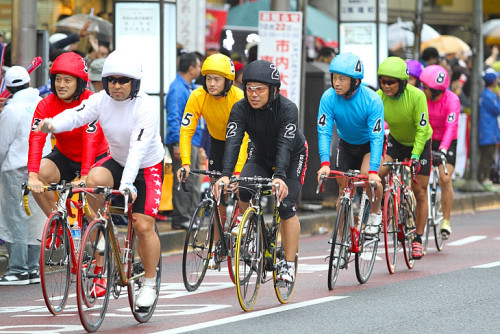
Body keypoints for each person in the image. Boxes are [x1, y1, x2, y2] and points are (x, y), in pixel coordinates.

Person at [37, 49, 164, 308]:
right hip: (117, 161)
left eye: (123, 80)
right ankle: (104, 228)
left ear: (135, 83)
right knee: (92, 179)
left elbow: (137, 152)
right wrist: (53, 124)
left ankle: (149, 283)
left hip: (146, 167)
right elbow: (76, 115)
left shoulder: (146, 107)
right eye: (111, 80)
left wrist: (127, 185)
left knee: (142, 225)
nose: (117, 86)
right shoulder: (101, 100)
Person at [213, 59, 308, 284]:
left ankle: (288, 263)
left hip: (292, 155)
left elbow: (285, 146)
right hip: (260, 154)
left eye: (260, 89)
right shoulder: (240, 108)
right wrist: (226, 174)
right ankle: (254, 230)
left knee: (286, 206)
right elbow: (233, 142)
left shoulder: (287, 109)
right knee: (243, 188)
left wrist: (280, 177)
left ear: (273, 90)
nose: (253, 94)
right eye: (249, 88)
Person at [176, 53, 248, 269]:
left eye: (217, 79)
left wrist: (236, 172)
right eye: (208, 78)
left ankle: (244, 221)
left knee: (239, 186)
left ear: (228, 81)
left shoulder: (239, 97)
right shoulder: (198, 96)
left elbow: (244, 137)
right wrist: (186, 162)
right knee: (219, 195)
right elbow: (187, 129)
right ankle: (218, 246)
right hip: (217, 141)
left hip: (243, 141)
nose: (212, 83)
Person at [28, 52, 109, 217]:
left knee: (93, 215)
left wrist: (85, 175)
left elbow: (90, 139)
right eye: (58, 79)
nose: (61, 85)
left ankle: (100, 237)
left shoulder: (92, 101)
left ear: (79, 83)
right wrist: (33, 175)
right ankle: (58, 221)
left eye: (67, 80)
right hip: (65, 155)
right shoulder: (45, 104)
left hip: (95, 158)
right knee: (41, 171)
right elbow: (36, 138)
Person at [315, 52, 384, 239]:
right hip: (345, 145)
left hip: (368, 146)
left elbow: (377, 137)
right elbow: (324, 132)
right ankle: (342, 239)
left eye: (342, 79)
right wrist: (324, 164)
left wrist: (374, 170)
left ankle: (375, 213)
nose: (336, 83)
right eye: (334, 78)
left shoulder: (372, 100)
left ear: (355, 81)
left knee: (368, 178)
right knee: (343, 191)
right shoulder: (328, 97)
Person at [377, 56, 433, 260]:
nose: (386, 86)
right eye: (382, 81)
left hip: (420, 143)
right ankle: (383, 206)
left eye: (391, 82)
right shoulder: (379, 96)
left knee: (419, 190)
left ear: (402, 82)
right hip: (397, 141)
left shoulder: (417, 96)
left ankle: (417, 239)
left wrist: (416, 155)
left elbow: (422, 128)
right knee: (379, 172)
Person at [0, 66, 51, 285]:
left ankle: (17, 269)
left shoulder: (11, 110)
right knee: (34, 218)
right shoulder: (41, 103)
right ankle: (33, 267)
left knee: (15, 218)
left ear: (9, 87)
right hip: (40, 167)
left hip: (16, 169)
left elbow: (2, 144)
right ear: (29, 83)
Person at [420, 65, 460, 238]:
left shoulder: (452, 100)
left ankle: (446, 220)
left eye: (425, 88)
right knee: (419, 179)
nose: (422, 89)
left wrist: (443, 149)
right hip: (428, 139)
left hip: (447, 141)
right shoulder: (422, 98)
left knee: (444, 177)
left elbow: (451, 128)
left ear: (436, 91)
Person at [165, 52, 203, 229]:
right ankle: (181, 217)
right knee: (183, 179)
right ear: (191, 68)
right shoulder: (177, 88)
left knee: (193, 180)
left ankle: (192, 215)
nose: (200, 69)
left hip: (194, 140)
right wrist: (177, 143)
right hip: (183, 141)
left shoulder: (190, 86)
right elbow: (173, 117)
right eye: (198, 66)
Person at [479, 71, 500, 191]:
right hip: (487, 131)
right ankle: (484, 178)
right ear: (493, 81)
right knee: (487, 156)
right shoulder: (488, 95)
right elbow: (497, 110)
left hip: (490, 130)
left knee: (489, 155)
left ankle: (486, 178)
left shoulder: (489, 94)